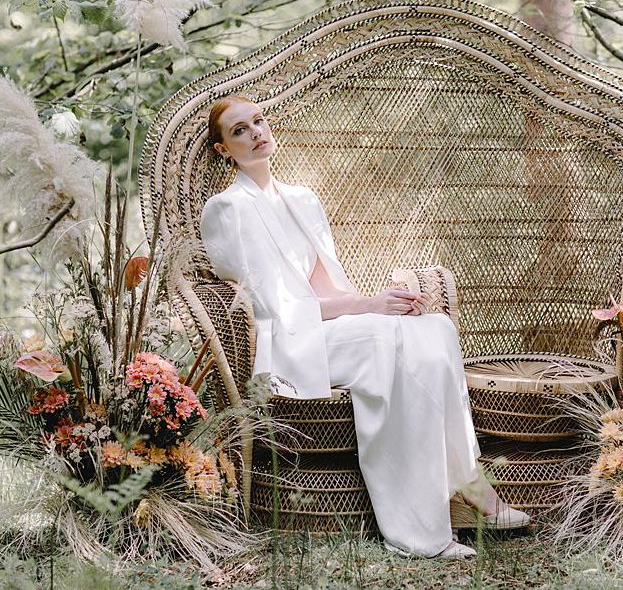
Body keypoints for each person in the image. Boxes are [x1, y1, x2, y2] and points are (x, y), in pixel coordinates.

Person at [200, 95, 530, 559]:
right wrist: (371, 307)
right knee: (383, 337)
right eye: (239, 130)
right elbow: (278, 305)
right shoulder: (226, 209)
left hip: (326, 322)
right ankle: (421, 530)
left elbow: (323, 287)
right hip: (289, 340)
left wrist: (379, 305)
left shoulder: (301, 200)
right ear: (223, 150)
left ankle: (470, 484)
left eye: (258, 121)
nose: (256, 132)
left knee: (434, 328)